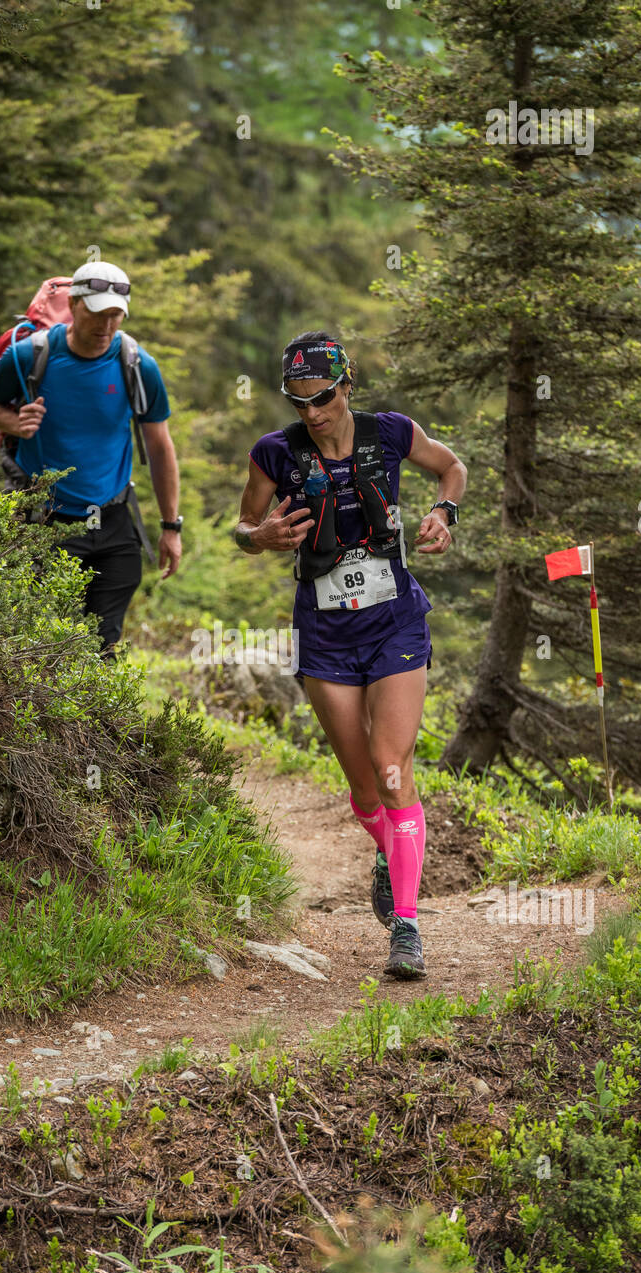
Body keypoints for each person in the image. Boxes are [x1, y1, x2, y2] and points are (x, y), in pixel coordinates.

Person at [235, 332, 466, 979]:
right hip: (325, 633)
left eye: (323, 397)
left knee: (392, 768)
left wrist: (443, 512)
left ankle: (407, 928)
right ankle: (388, 853)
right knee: (363, 787)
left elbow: (452, 467)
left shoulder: (389, 433)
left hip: (394, 622)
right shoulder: (274, 453)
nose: (311, 412)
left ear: (346, 384)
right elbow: (242, 527)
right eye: (298, 400)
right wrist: (264, 537)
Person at [0, 260, 183, 652]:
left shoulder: (136, 363)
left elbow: (160, 445)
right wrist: (15, 423)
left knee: (103, 645)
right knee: (41, 644)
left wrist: (171, 526)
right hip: (45, 521)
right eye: (98, 313)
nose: (107, 325)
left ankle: (96, 713)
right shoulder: (30, 354)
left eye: (117, 315)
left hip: (115, 523)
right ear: (74, 303)